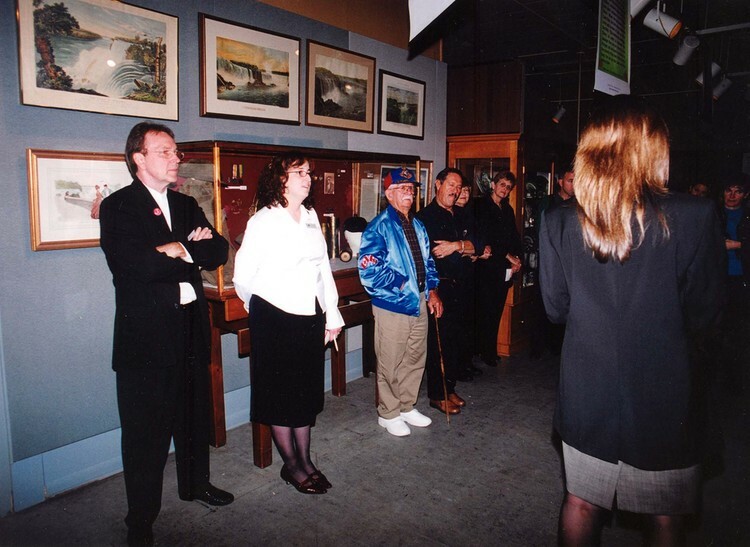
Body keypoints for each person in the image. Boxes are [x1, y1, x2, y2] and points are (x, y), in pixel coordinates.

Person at [539, 96, 724, 546]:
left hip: (587, 385)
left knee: (581, 503)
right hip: (665, 388)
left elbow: (555, 309)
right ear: (654, 148)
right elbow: (706, 314)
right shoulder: (696, 215)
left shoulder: (558, 220)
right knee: (665, 515)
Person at [99, 122, 233, 546]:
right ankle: (140, 519)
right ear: (138, 158)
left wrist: (178, 249)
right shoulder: (119, 207)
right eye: (165, 152)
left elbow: (218, 250)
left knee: (194, 416)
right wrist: (187, 250)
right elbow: (133, 265)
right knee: (145, 435)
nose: (176, 158)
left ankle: (196, 484)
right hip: (147, 337)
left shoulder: (186, 203)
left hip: (190, 328)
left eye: (176, 152)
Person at [233, 152, 344, 494]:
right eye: (299, 173)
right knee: (281, 396)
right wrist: (264, 310)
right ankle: (292, 466)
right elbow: (242, 276)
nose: (307, 178)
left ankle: (306, 460)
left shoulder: (310, 216)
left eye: (308, 172)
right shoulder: (263, 221)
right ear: (280, 179)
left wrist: (332, 314)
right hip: (275, 318)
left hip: (309, 315)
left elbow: (322, 270)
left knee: (304, 393)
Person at [358, 167, 443, 437]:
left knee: (415, 357)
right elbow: (369, 271)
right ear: (389, 193)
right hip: (393, 305)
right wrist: (404, 284)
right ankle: (388, 413)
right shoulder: (378, 227)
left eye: (411, 189)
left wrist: (432, 290)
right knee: (390, 361)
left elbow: (428, 262)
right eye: (402, 188)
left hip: (419, 302)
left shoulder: (417, 225)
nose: (409, 193)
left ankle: (406, 406)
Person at [417, 168, 476, 414]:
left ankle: (449, 388)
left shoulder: (463, 214)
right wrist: (431, 292)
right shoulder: (423, 218)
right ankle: (437, 394)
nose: (455, 191)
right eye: (451, 185)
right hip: (439, 288)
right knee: (439, 343)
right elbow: (423, 259)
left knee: (456, 342)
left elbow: (479, 244)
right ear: (437, 184)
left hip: (463, 286)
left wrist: (456, 246)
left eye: (459, 186)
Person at [474, 170, 523, 367]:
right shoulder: (481, 206)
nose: (505, 189)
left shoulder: (507, 209)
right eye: (502, 185)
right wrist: (508, 256)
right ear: (493, 185)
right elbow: (487, 237)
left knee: (496, 310)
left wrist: (517, 259)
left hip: (504, 268)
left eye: (508, 187)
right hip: (487, 267)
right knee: (485, 311)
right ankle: (484, 352)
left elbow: (514, 236)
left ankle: (490, 350)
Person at [716, 179, 750, 392]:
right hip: (716, 279)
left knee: (737, 332)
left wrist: (739, 244)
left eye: (738, 191)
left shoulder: (747, 216)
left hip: (740, 280)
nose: (732, 195)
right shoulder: (712, 214)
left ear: (745, 195)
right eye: (729, 190)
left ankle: (734, 382)